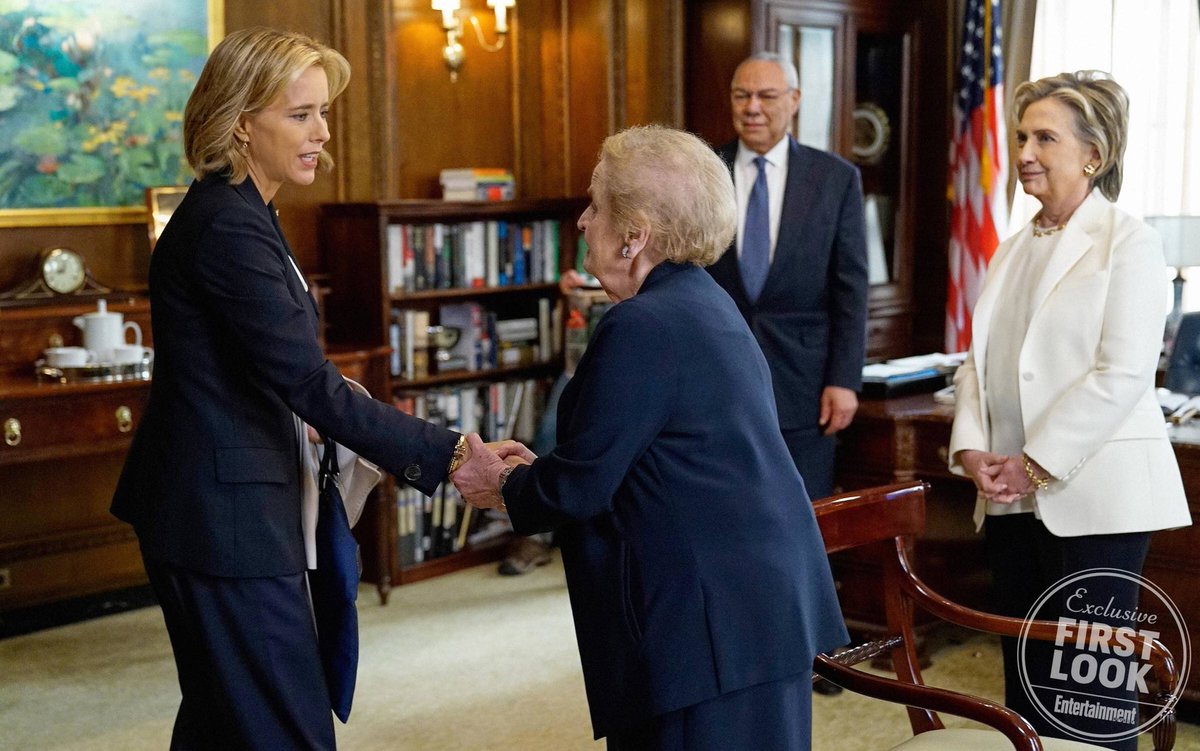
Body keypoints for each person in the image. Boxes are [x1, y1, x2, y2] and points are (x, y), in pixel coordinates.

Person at [110, 27, 470, 750]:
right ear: (241, 123)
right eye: (300, 114)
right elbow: (305, 380)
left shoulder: (250, 212)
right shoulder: (226, 225)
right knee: (286, 726)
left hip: (220, 506)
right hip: (222, 521)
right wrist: (452, 452)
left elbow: (265, 368)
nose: (323, 133)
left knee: (225, 720)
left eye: (322, 112)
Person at [452, 124, 848, 751]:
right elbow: (637, 457)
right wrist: (544, 470)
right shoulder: (706, 301)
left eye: (596, 205)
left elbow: (581, 488)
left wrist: (501, 482)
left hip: (704, 629)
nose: (583, 221)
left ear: (634, 235)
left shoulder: (642, 325)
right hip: (754, 612)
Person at [948, 70, 1191, 750]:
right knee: (1025, 688)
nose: (1024, 152)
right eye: (1022, 136)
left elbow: (1123, 373)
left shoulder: (1129, 242)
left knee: (1091, 695)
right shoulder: (1010, 248)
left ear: (1094, 154)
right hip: (1008, 502)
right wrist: (971, 448)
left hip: (1097, 504)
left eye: (1044, 138)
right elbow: (976, 365)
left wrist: (1034, 463)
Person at [706, 51, 869, 504]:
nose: (752, 107)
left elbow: (851, 291)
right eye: (741, 96)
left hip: (804, 387)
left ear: (794, 100)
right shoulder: (703, 172)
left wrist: (844, 380)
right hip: (716, 380)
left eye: (766, 96)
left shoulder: (835, 179)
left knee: (801, 513)